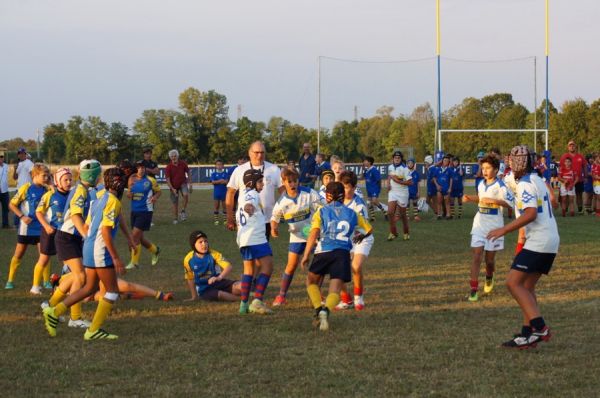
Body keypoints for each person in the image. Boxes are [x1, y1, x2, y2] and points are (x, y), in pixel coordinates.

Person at [43, 167, 129, 340]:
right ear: (120, 184)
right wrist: (116, 258)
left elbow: (88, 225)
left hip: (88, 247)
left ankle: (55, 311)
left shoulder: (98, 199)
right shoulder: (113, 201)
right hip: (99, 249)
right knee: (112, 291)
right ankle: (93, 330)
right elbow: (105, 232)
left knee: (89, 287)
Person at [488, 145, 559, 349]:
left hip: (539, 239)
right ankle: (528, 334)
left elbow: (530, 214)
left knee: (513, 283)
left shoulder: (526, 183)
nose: (509, 163)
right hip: (549, 239)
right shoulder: (534, 179)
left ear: (520, 163)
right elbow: (547, 199)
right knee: (526, 286)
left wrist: (504, 230)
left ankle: (540, 327)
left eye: (512, 160)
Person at [300, 182, 372, 331]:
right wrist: (360, 236)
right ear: (342, 195)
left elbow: (313, 233)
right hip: (342, 254)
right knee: (335, 290)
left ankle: (318, 308)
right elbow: (369, 229)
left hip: (323, 252)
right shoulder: (353, 213)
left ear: (327, 196)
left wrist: (306, 254)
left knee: (311, 281)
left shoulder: (321, 211)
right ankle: (325, 311)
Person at [46, 160, 103, 328]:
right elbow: (76, 216)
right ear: (93, 175)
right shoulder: (80, 190)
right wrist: (87, 235)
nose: (100, 177)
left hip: (72, 238)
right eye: (98, 174)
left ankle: (50, 306)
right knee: (80, 276)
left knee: (75, 276)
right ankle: (75, 318)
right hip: (67, 237)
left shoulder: (85, 189)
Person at [462, 155, 513, 302]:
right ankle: (473, 289)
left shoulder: (501, 186)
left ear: (496, 170)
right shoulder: (480, 184)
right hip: (479, 224)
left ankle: (489, 276)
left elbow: (511, 203)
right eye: (483, 168)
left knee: (489, 260)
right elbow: (481, 198)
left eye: (488, 168)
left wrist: (495, 201)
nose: (484, 171)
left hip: (494, 226)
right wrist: (470, 198)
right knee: (477, 256)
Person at [270, 168, 321, 306]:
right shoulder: (281, 202)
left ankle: (316, 295)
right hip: (296, 236)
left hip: (314, 235)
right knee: (291, 266)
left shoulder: (309, 193)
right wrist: (274, 228)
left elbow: (322, 210)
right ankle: (281, 295)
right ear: (284, 182)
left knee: (317, 267)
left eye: (295, 181)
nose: (293, 184)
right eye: (289, 182)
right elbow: (274, 217)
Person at [235, 169, 274, 315]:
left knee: (249, 270)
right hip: (255, 237)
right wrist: (249, 208)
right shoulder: (252, 194)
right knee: (268, 266)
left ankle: (243, 304)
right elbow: (248, 204)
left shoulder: (242, 194)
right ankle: (257, 301)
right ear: (251, 182)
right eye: (259, 181)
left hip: (244, 238)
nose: (262, 184)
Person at [226, 141, 284, 241]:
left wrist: (279, 213)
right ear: (249, 153)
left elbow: (283, 192)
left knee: (263, 249)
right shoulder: (239, 170)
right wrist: (230, 217)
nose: (259, 155)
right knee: (248, 248)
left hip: (267, 219)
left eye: (262, 152)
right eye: (256, 152)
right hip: (246, 219)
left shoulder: (274, 169)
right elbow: (230, 193)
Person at [5, 163, 50, 289]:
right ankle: (10, 280)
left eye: (48, 176)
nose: (46, 178)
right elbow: (12, 204)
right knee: (19, 254)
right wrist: (22, 216)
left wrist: (51, 185)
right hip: (26, 228)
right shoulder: (26, 188)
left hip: (41, 227)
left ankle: (46, 281)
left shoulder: (46, 189)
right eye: (44, 176)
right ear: (35, 175)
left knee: (44, 254)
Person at [30, 168, 72, 295]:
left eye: (70, 179)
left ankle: (66, 286)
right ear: (58, 181)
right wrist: (46, 226)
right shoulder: (49, 195)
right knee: (44, 259)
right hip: (49, 232)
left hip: (65, 233)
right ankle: (35, 286)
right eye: (65, 180)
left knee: (69, 260)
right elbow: (38, 212)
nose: (69, 182)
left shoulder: (74, 195)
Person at [337, 170, 374, 311]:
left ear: (353, 187)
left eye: (347, 187)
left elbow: (366, 229)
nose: (345, 190)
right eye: (343, 186)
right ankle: (346, 300)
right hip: (344, 238)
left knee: (355, 266)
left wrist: (352, 245)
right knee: (337, 268)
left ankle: (359, 297)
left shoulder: (358, 204)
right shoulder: (337, 200)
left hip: (361, 238)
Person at [183, 230, 241, 302]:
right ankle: (243, 300)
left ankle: (253, 293)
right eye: (200, 242)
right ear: (193, 245)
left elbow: (228, 267)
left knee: (240, 286)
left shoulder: (213, 254)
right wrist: (194, 296)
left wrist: (219, 277)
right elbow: (190, 278)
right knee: (220, 294)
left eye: (205, 241)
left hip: (218, 282)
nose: (204, 244)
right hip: (204, 289)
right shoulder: (188, 259)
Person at [126, 160, 161, 269]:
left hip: (146, 211)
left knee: (133, 237)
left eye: (143, 167)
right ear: (136, 169)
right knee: (139, 238)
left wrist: (155, 197)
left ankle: (134, 263)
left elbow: (159, 191)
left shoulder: (150, 180)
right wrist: (129, 194)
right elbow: (128, 193)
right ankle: (155, 250)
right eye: (139, 167)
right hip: (134, 211)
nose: (141, 169)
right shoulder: (131, 179)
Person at [387, 151, 412, 241]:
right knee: (390, 212)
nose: (397, 159)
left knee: (403, 215)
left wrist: (399, 182)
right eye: (395, 158)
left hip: (403, 193)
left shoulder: (405, 169)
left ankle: (406, 232)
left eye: (398, 158)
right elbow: (390, 176)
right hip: (393, 192)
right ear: (393, 159)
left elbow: (410, 182)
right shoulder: (390, 166)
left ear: (401, 159)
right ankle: (393, 233)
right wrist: (388, 184)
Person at [559, 140, 588, 214]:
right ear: (568, 147)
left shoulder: (580, 156)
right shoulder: (564, 156)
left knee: (579, 194)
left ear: (575, 147)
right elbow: (560, 168)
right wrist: (561, 179)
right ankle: (566, 209)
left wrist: (585, 176)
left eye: (573, 145)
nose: (571, 147)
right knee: (567, 196)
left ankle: (580, 209)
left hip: (579, 179)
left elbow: (584, 166)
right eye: (570, 145)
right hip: (567, 180)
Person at [165, 149, 190, 224]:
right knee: (175, 203)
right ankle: (175, 218)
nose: (173, 157)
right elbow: (168, 179)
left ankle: (183, 211)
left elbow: (188, 172)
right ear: (170, 157)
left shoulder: (183, 163)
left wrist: (191, 183)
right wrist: (172, 189)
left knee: (185, 195)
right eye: (172, 156)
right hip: (173, 186)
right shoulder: (168, 167)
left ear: (178, 156)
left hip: (183, 183)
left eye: (175, 156)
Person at [362, 156, 387, 221]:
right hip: (369, 189)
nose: (364, 162)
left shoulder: (374, 170)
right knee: (369, 203)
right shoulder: (367, 170)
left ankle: (385, 213)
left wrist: (379, 188)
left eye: (365, 161)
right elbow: (362, 177)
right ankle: (373, 217)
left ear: (369, 162)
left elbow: (379, 180)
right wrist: (363, 170)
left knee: (374, 201)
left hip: (374, 188)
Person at [432, 155, 453, 220]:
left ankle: (448, 215)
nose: (445, 162)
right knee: (439, 202)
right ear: (442, 161)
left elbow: (451, 179)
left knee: (447, 202)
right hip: (439, 189)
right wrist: (437, 185)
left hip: (446, 188)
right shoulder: (438, 169)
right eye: (444, 160)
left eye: (447, 161)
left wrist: (450, 188)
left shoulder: (449, 170)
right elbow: (434, 178)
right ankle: (439, 215)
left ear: (448, 162)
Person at [210, 159, 229, 225]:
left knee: (224, 207)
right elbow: (213, 182)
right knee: (216, 206)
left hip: (224, 192)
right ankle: (216, 220)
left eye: (220, 164)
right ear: (215, 166)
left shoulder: (225, 173)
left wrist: (218, 181)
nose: (219, 166)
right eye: (218, 164)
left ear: (223, 166)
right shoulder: (213, 174)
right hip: (217, 193)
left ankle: (225, 220)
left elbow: (226, 182)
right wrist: (221, 180)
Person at [0, 153, 9, 228]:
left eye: (2, 157)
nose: (1, 159)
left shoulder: (6, 166)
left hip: (5, 190)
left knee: (5, 208)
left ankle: (5, 224)